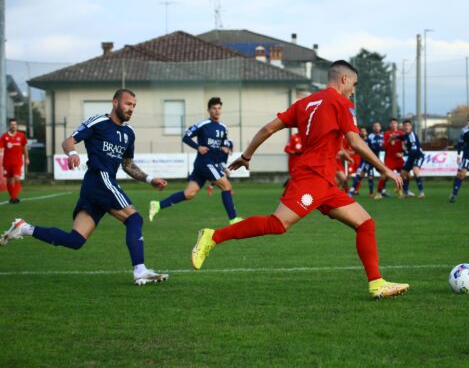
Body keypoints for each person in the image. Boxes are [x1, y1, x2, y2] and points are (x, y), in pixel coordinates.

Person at [190, 60, 409, 300]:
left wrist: (246, 155)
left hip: (325, 183)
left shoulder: (304, 103)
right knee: (278, 224)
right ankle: (213, 236)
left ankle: (376, 283)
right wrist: (386, 170)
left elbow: (268, 129)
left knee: (365, 224)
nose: (353, 91)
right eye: (354, 84)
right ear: (344, 79)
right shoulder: (341, 103)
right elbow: (356, 141)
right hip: (312, 178)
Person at [1, 89, 169, 285]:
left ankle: (24, 228)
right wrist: (72, 153)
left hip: (96, 186)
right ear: (115, 102)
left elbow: (128, 165)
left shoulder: (129, 133)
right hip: (100, 179)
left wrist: (150, 179)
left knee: (75, 240)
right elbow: (68, 141)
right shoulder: (98, 122)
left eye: (134, 106)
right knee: (134, 219)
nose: (131, 108)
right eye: (127, 104)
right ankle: (140, 270)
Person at [149, 97, 242, 225]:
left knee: (189, 194)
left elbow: (223, 142)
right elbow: (186, 137)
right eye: (214, 108)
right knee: (226, 185)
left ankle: (158, 205)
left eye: (219, 108)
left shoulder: (223, 128)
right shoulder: (202, 124)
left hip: (208, 164)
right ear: (209, 110)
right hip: (205, 163)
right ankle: (233, 219)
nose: (217, 111)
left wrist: (225, 148)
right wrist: (197, 147)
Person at [349, 122, 383, 197]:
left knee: (381, 175)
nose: (376, 127)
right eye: (375, 126)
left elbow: (383, 146)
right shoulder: (370, 137)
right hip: (368, 159)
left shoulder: (382, 137)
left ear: (380, 127)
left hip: (376, 160)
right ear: (373, 128)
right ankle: (352, 190)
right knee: (362, 174)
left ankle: (380, 191)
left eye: (378, 126)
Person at [374, 118, 404, 199]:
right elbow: (383, 146)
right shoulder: (387, 133)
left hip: (399, 159)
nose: (394, 125)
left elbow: (405, 146)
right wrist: (390, 139)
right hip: (389, 159)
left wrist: (402, 153)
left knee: (404, 174)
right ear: (390, 125)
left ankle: (400, 190)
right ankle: (378, 193)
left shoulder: (401, 133)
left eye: (395, 123)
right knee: (384, 176)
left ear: (397, 124)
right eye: (392, 123)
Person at [1, 118, 29, 203]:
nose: (13, 126)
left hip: (17, 161)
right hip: (7, 162)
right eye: (11, 124)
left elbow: (24, 147)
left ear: (17, 126)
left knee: (17, 178)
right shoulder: (4, 136)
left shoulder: (21, 136)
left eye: (15, 124)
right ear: (9, 126)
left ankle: (13, 197)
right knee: (9, 180)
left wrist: (27, 158)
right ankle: (12, 197)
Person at [400, 119, 425, 199]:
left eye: (408, 125)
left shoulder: (412, 135)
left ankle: (421, 193)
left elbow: (414, 150)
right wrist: (394, 137)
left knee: (415, 170)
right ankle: (406, 192)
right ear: (403, 127)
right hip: (411, 157)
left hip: (418, 156)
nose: (407, 127)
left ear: (411, 127)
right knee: (403, 173)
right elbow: (401, 137)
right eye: (405, 125)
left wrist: (403, 154)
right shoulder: (405, 135)